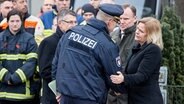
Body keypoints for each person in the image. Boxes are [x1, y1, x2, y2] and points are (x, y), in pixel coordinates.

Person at [52, 3, 125, 104]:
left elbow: (56, 64)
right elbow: (114, 76)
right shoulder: (107, 45)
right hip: (90, 98)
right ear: (110, 22)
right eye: (116, 22)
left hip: (65, 96)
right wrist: (120, 89)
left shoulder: (70, 33)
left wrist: (58, 91)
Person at [110, 17, 164, 104]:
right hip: (134, 99)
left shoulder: (153, 50)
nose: (137, 32)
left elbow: (141, 76)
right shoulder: (138, 48)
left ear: (151, 34)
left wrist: (123, 78)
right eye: (137, 29)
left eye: (141, 31)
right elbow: (129, 73)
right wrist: (120, 87)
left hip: (147, 100)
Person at [38, 9, 77, 104]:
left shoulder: (75, 42)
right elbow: (45, 71)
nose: (74, 25)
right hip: (53, 97)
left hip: (72, 96)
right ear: (60, 23)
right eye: (70, 22)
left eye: (75, 22)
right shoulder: (48, 43)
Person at [0, 9, 38, 104]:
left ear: (22, 22)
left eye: (17, 21)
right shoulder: (0, 38)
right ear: (7, 22)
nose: (15, 24)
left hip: (23, 94)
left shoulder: (29, 39)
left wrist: (14, 79)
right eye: (12, 21)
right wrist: (6, 77)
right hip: (2, 93)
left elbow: (32, 63)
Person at [107, 4, 137, 104]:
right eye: (120, 18)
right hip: (111, 89)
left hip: (128, 89)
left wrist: (121, 84)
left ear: (135, 19)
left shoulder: (138, 37)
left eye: (126, 18)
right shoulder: (113, 34)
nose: (122, 22)